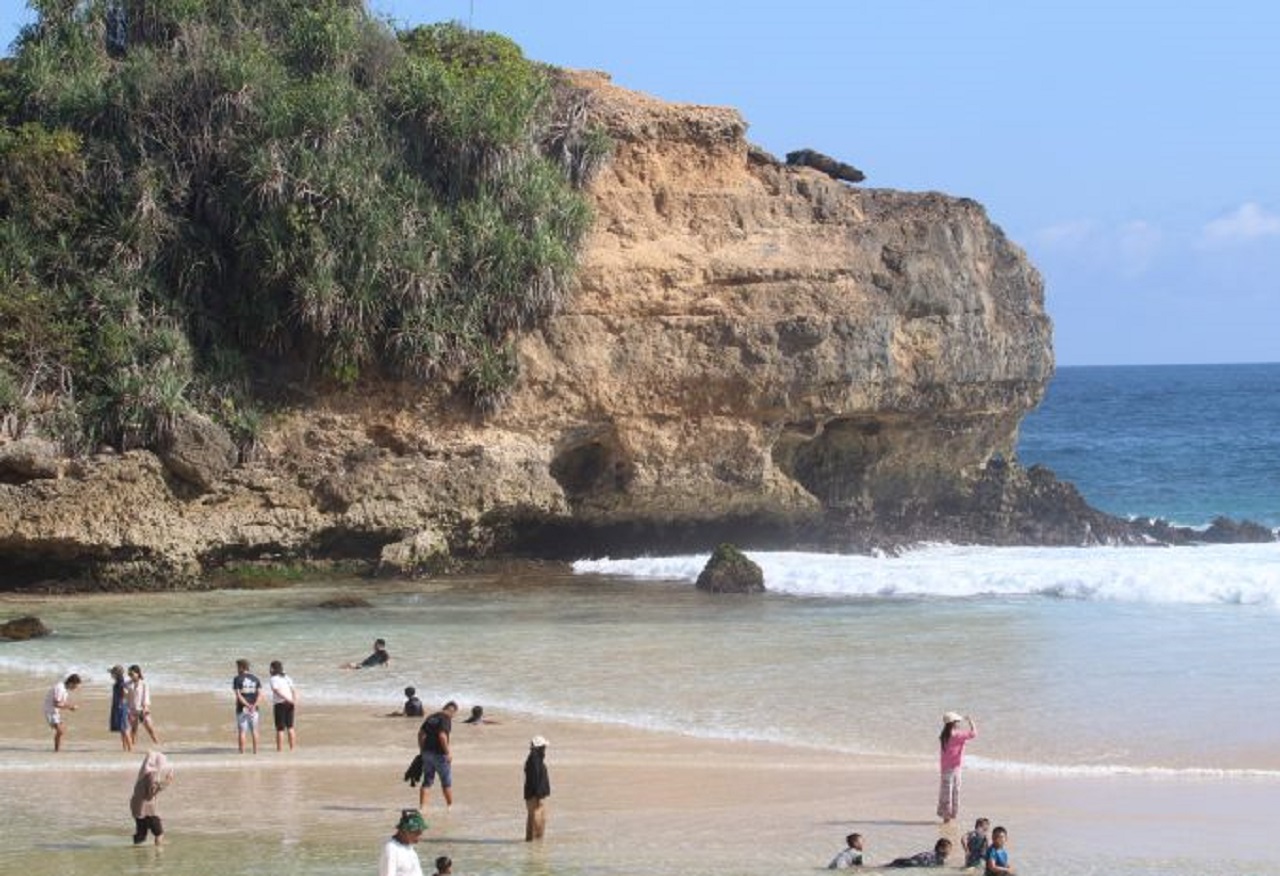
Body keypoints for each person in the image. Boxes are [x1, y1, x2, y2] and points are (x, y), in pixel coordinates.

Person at [937, 711, 978, 823]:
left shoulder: (944, 735)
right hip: (955, 768)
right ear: (953, 723)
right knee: (954, 791)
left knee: (945, 792)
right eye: (958, 721)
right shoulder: (957, 735)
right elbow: (974, 734)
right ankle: (949, 817)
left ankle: (946, 817)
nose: (959, 723)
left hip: (945, 768)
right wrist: (971, 722)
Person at [417, 700, 458, 809]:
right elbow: (442, 736)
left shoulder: (431, 717)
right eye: (454, 714)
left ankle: (423, 807)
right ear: (452, 711)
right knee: (446, 782)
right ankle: (450, 807)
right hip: (440, 754)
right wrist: (447, 753)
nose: (453, 717)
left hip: (427, 753)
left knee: (427, 781)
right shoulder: (445, 718)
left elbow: (420, 733)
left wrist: (422, 750)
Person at [129, 750, 175, 845]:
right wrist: (167, 781)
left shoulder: (143, 773)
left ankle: (138, 855)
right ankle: (159, 855)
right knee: (159, 833)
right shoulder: (152, 775)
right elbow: (151, 793)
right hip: (147, 809)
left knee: (141, 834)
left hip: (137, 807)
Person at [379, 808, 428, 876]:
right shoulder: (391, 849)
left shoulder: (408, 846)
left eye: (420, 833)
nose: (419, 838)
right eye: (417, 834)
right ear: (405, 831)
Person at [232, 658, 265, 754]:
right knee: (254, 730)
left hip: (242, 708)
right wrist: (253, 705)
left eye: (238, 667)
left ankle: (242, 753)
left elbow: (238, 695)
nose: (237, 669)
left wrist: (247, 705)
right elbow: (260, 694)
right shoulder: (256, 678)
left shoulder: (237, 679)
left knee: (242, 732)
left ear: (242, 667)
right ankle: (255, 752)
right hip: (254, 709)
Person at [523, 734, 551, 841]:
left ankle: (533, 842)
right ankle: (534, 841)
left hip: (535, 794)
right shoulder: (534, 759)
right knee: (535, 816)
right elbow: (535, 777)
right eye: (544, 747)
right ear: (540, 747)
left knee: (534, 816)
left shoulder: (535, 758)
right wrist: (538, 794)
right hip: (535, 795)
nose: (545, 749)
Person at [44, 673, 81, 752]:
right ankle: (57, 751)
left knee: (61, 731)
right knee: (60, 731)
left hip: (55, 711)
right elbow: (56, 704)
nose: (75, 688)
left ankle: (57, 750)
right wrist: (70, 707)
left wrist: (69, 706)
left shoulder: (64, 689)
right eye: (75, 686)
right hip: (50, 711)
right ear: (71, 683)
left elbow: (61, 703)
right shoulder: (60, 688)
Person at [126, 664, 161, 745]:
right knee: (134, 731)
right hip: (132, 710)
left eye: (132, 674)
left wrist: (145, 708)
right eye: (129, 674)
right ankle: (132, 748)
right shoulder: (127, 684)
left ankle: (158, 745)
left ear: (137, 673)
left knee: (150, 730)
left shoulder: (144, 684)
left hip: (142, 710)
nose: (130, 675)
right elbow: (125, 698)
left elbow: (146, 697)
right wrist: (127, 710)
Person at [269, 660, 299, 751]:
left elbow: (276, 691)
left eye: (270, 668)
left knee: (280, 728)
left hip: (280, 704)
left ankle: (280, 750)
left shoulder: (273, 678)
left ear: (273, 669)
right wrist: (294, 701)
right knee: (290, 727)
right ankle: (292, 749)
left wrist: (287, 699)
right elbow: (294, 690)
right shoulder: (287, 677)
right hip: (290, 703)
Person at [108, 665, 133, 751]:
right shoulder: (119, 682)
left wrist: (121, 702)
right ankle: (125, 748)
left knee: (125, 728)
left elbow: (125, 693)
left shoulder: (120, 682)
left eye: (112, 673)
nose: (111, 675)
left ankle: (130, 748)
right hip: (119, 706)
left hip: (120, 707)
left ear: (116, 674)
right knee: (122, 729)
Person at [887, 838, 951, 868]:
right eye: (948, 849)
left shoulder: (932, 853)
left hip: (909, 860)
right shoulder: (939, 859)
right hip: (911, 863)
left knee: (886, 867)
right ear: (941, 848)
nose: (949, 852)